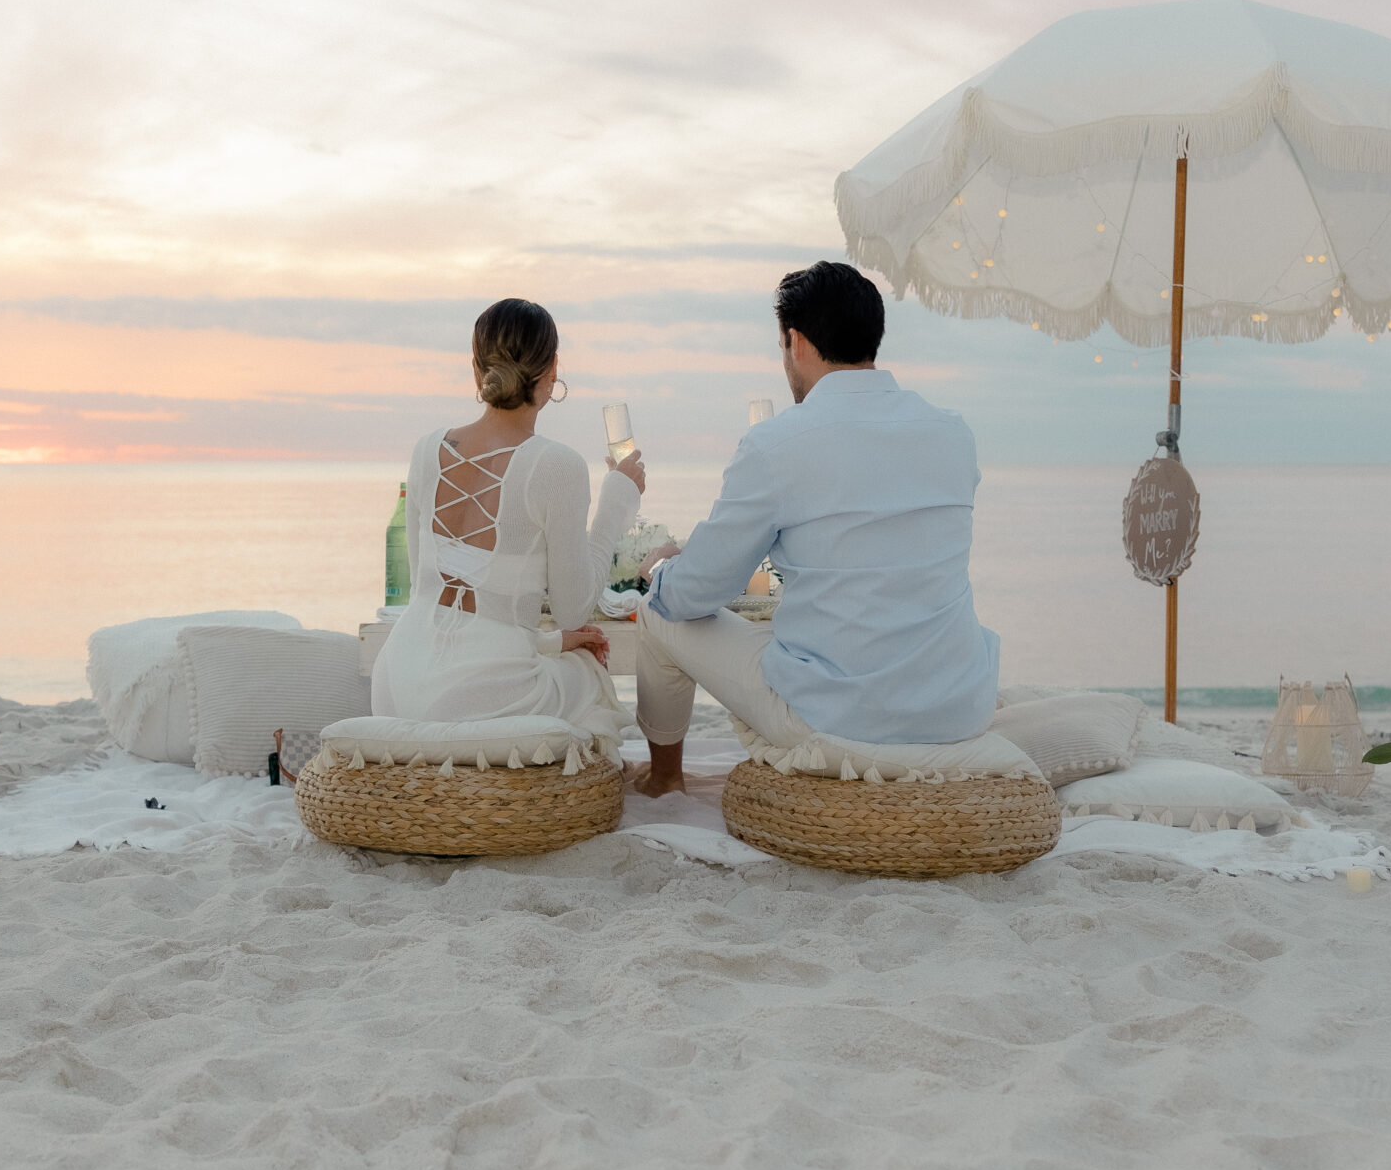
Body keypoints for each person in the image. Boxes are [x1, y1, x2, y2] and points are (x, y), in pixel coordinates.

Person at [631, 260, 998, 795]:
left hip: (841, 716)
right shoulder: (952, 434)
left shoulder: (778, 444)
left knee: (656, 610)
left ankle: (664, 779)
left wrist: (662, 568)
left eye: (782, 348)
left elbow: (694, 595)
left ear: (795, 342)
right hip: (957, 706)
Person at [372, 297, 646, 745]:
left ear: (476, 369)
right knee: (589, 676)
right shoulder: (556, 465)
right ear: (552, 368)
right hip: (481, 700)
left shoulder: (427, 449)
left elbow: (439, 595)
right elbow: (574, 609)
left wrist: (555, 642)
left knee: (561, 654)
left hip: (397, 684)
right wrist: (617, 500)